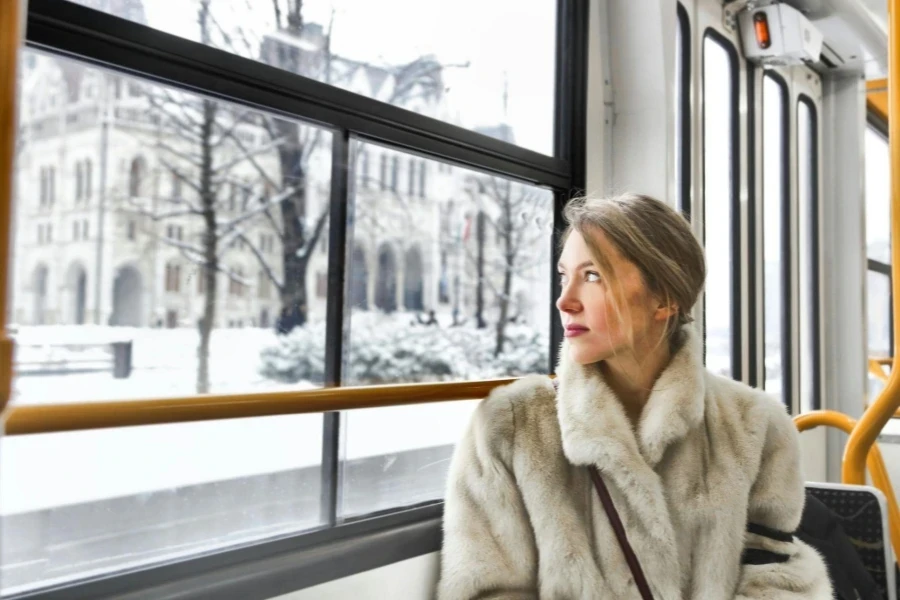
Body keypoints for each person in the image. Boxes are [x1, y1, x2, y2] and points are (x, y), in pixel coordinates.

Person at [437, 194, 832, 599]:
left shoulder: (755, 424)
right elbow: (485, 588)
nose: (564, 300)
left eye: (592, 276)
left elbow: (777, 572)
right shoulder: (509, 425)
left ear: (665, 298)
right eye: (563, 275)